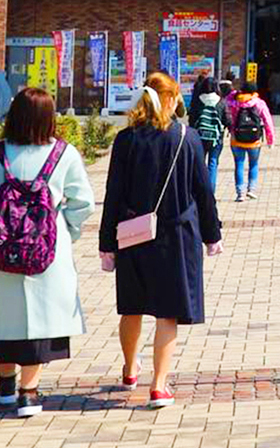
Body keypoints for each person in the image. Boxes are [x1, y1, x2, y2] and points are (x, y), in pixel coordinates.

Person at [98, 72, 223, 409]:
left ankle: (130, 369)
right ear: (169, 99)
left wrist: (106, 243)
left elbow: (113, 194)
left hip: (132, 235)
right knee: (167, 313)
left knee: (132, 308)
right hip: (177, 237)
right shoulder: (187, 137)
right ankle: (158, 385)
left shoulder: (126, 139)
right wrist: (212, 235)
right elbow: (203, 192)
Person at [0, 88, 94, 419]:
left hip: (3, 251)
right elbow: (83, 202)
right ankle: (29, 393)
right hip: (46, 253)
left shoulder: (1, 152)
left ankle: (5, 387)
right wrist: (65, 230)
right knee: (38, 323)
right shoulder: (63, 154)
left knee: (4, 319)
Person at [225, 81, 275, 202]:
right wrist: (270, 139)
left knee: (239, 164)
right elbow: (267, 121)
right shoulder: (259, 103)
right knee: (253, 164)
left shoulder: (234, 102)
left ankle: (240, 193)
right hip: (254, 140)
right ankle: (251, 189)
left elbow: (227, 101)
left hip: (236, 138)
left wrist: (234, 93)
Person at [188, 76, 229, 193]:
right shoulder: (221, 102)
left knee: (199, 164)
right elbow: (227, 120)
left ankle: (198, 191)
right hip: (216, 138)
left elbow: (191, 120)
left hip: (199, 137)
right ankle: (210, 192)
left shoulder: (198, 101)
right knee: (213, 163)